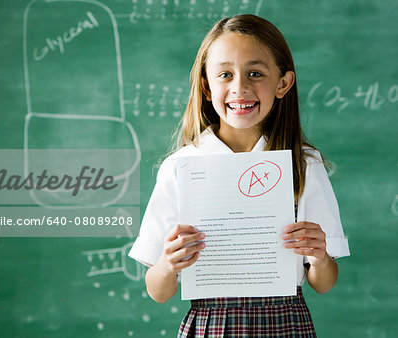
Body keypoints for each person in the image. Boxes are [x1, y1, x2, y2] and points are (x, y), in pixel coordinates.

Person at [128, 14, 350, 337]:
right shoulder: (181, 167)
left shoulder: (304, 165)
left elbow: (325, 283)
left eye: (255, 73)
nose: (240, 88)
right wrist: (167, 264)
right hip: (210, 324)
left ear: (283, 83)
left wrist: (320, 258)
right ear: (206, 86)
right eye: (225, 75)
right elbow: (158, 290)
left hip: (284, 323)